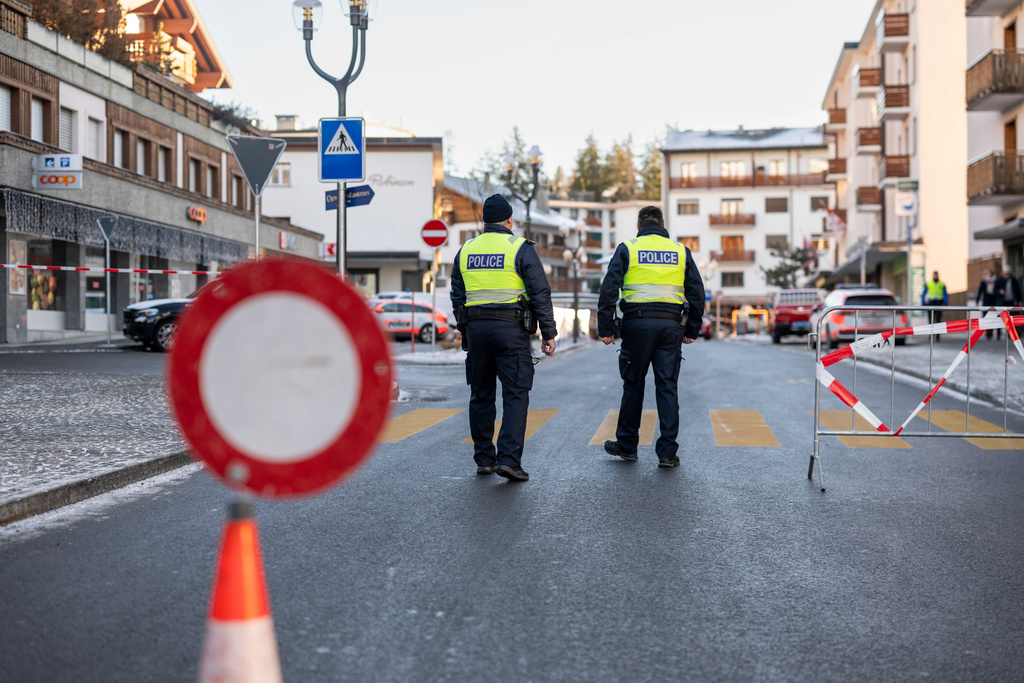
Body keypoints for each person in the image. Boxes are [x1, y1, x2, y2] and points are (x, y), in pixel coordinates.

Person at [450, 194, 557, 482]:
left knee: (481, 395)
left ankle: (485, 459)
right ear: (510, 220)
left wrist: (465, 330)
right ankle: (509, 460)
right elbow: (539, 292)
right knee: (515, 394)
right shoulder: (520, 248)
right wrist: (549, 333)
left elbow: (457, 295)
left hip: (478, 330)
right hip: (511, 331)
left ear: (485, 221)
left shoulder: (466, 249)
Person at [597, 206, 705, 468]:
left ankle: (627, 446)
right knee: (667, 386)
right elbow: (697, 292)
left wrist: (606, 328)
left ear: (638, 225)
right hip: (670, 327)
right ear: (663, 224)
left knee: (633, 385)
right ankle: (667, 453)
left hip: (637, 325)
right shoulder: (680, 251)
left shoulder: (628, 248)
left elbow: (609, 288)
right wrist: (691, 329)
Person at [921, 271, 948, 339]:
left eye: (936, 275)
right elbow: (923, 293)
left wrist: (946, 302)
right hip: (931, 303)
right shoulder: (929, 283)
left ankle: (938, 335)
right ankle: (931, 334)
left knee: (938, 320)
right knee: (931, 320)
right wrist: (923, 302)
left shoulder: (941, 284)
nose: (935, 276)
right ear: (933, 275)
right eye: (934, 275)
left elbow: (945, 293)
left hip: (939, 303)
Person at [977, 269, 1002, 340]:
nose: (989, 276)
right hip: (986, 303)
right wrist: (977, 301)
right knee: (986, 318)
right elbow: (980, 292)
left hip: (993, 302)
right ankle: (988, 334)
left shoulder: (995, 282)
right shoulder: (983, 282)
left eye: (990, 274)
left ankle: (997, 334)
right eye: (987, 274)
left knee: (994, 318)